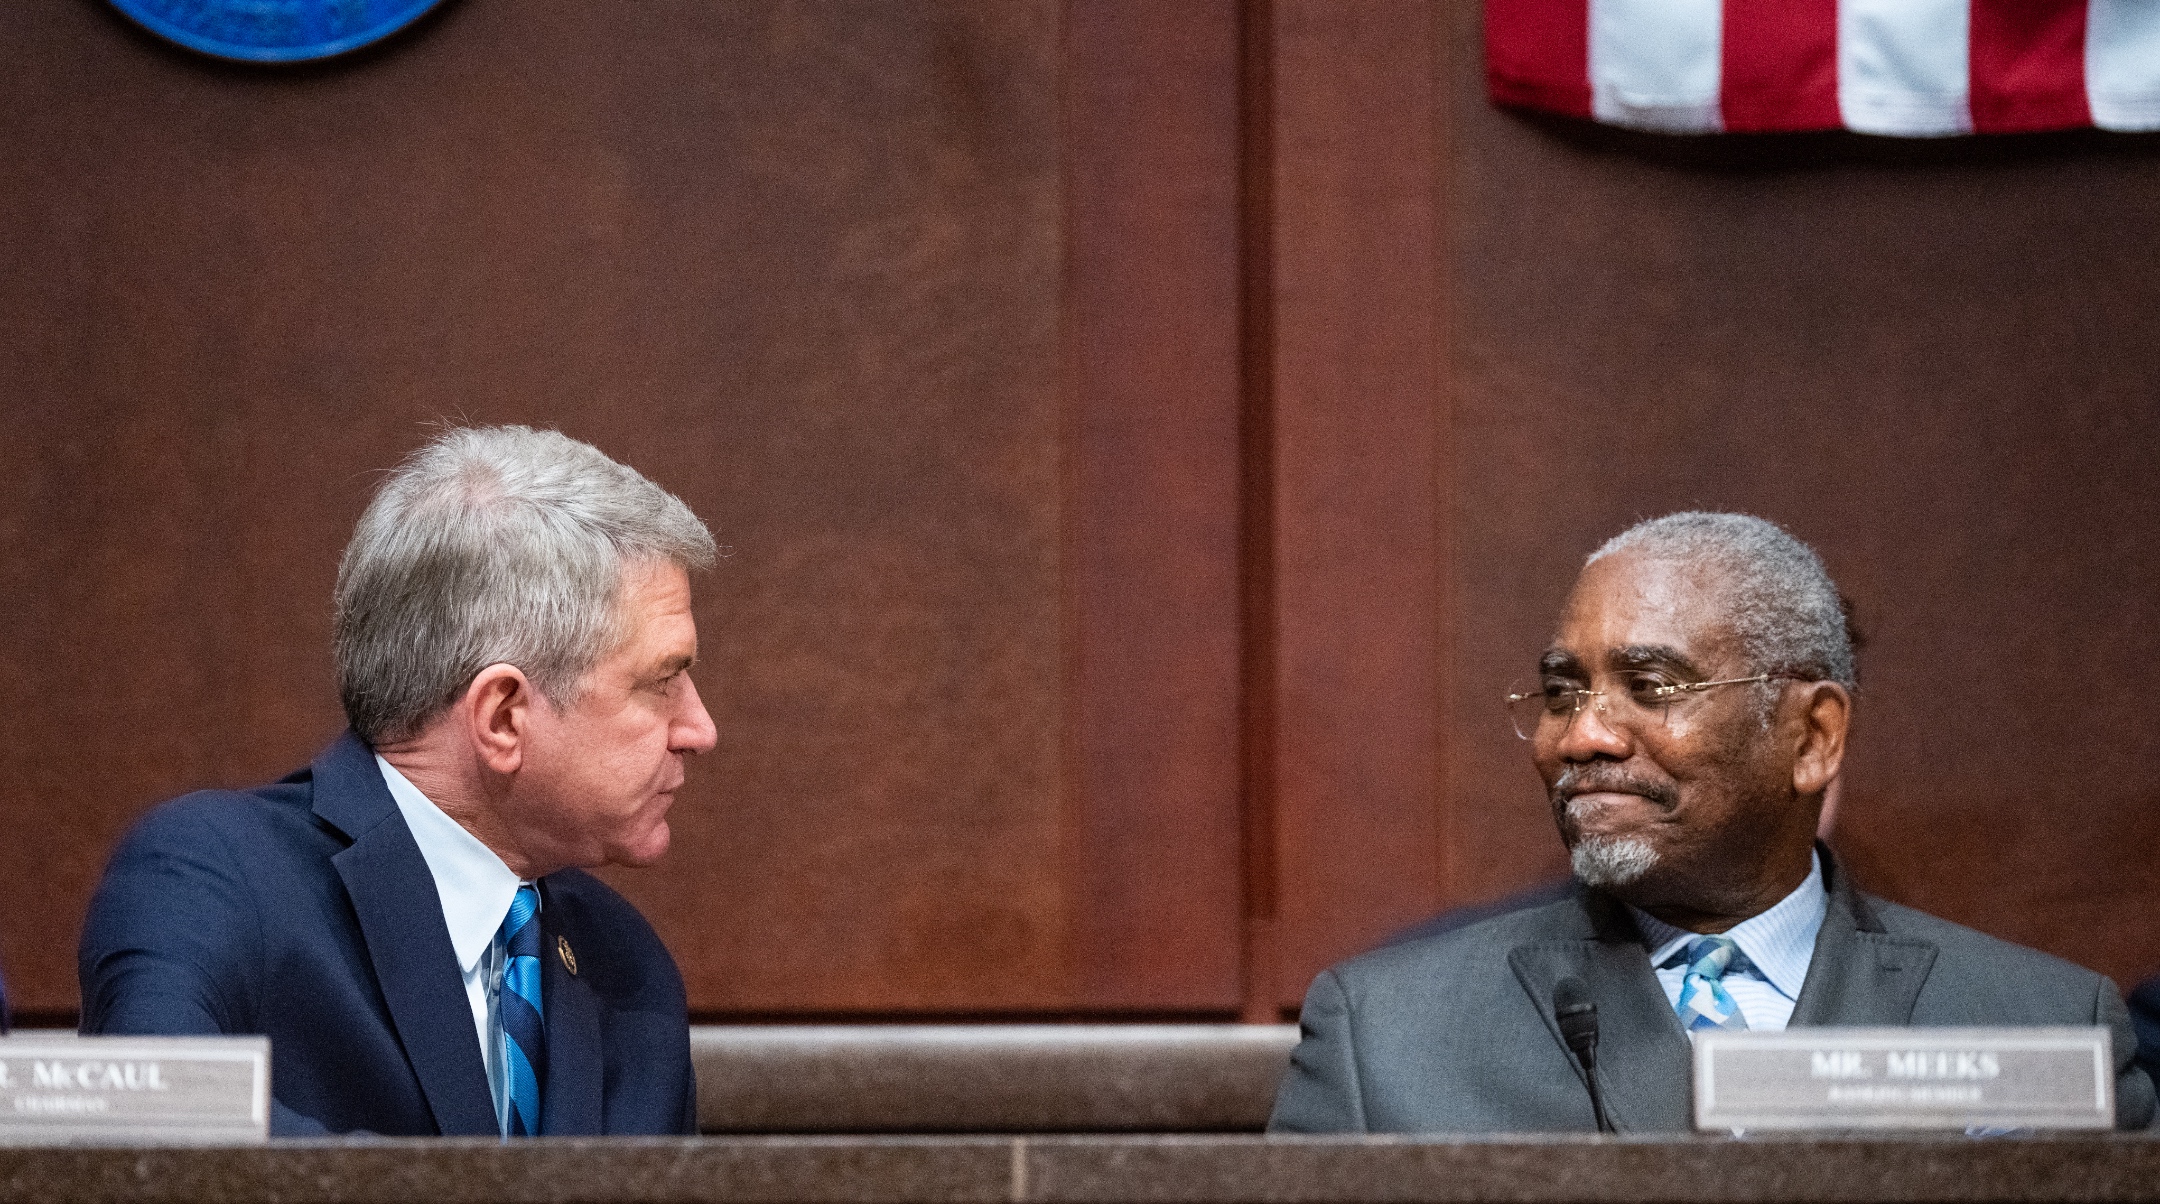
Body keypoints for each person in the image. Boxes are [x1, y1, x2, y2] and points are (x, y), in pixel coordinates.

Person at [1270, 512, 2156, 1133]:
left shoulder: (2039, 1024)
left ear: (1813, 736)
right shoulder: (1386, 1038)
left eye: (1651, 688)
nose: (1583, 735)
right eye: (1559, 693)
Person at [79, 426, 719, 1137]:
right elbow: (149, 1129)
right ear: (503, 717)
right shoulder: (211, 878)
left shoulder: (623, 962)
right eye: (662, 681)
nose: (700, 728)